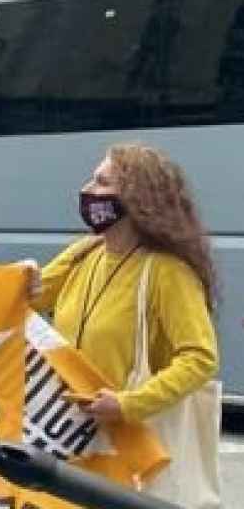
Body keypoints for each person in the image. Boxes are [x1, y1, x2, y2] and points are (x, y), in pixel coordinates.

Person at [24, 146, 219, 454]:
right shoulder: (84, 252)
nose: (87, 191)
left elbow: (200, 359)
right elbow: (23, 299)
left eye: (102, 182)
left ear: (137, 198)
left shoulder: (168, 272)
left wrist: (129, 404)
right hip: (66, 434)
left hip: (127, 448)